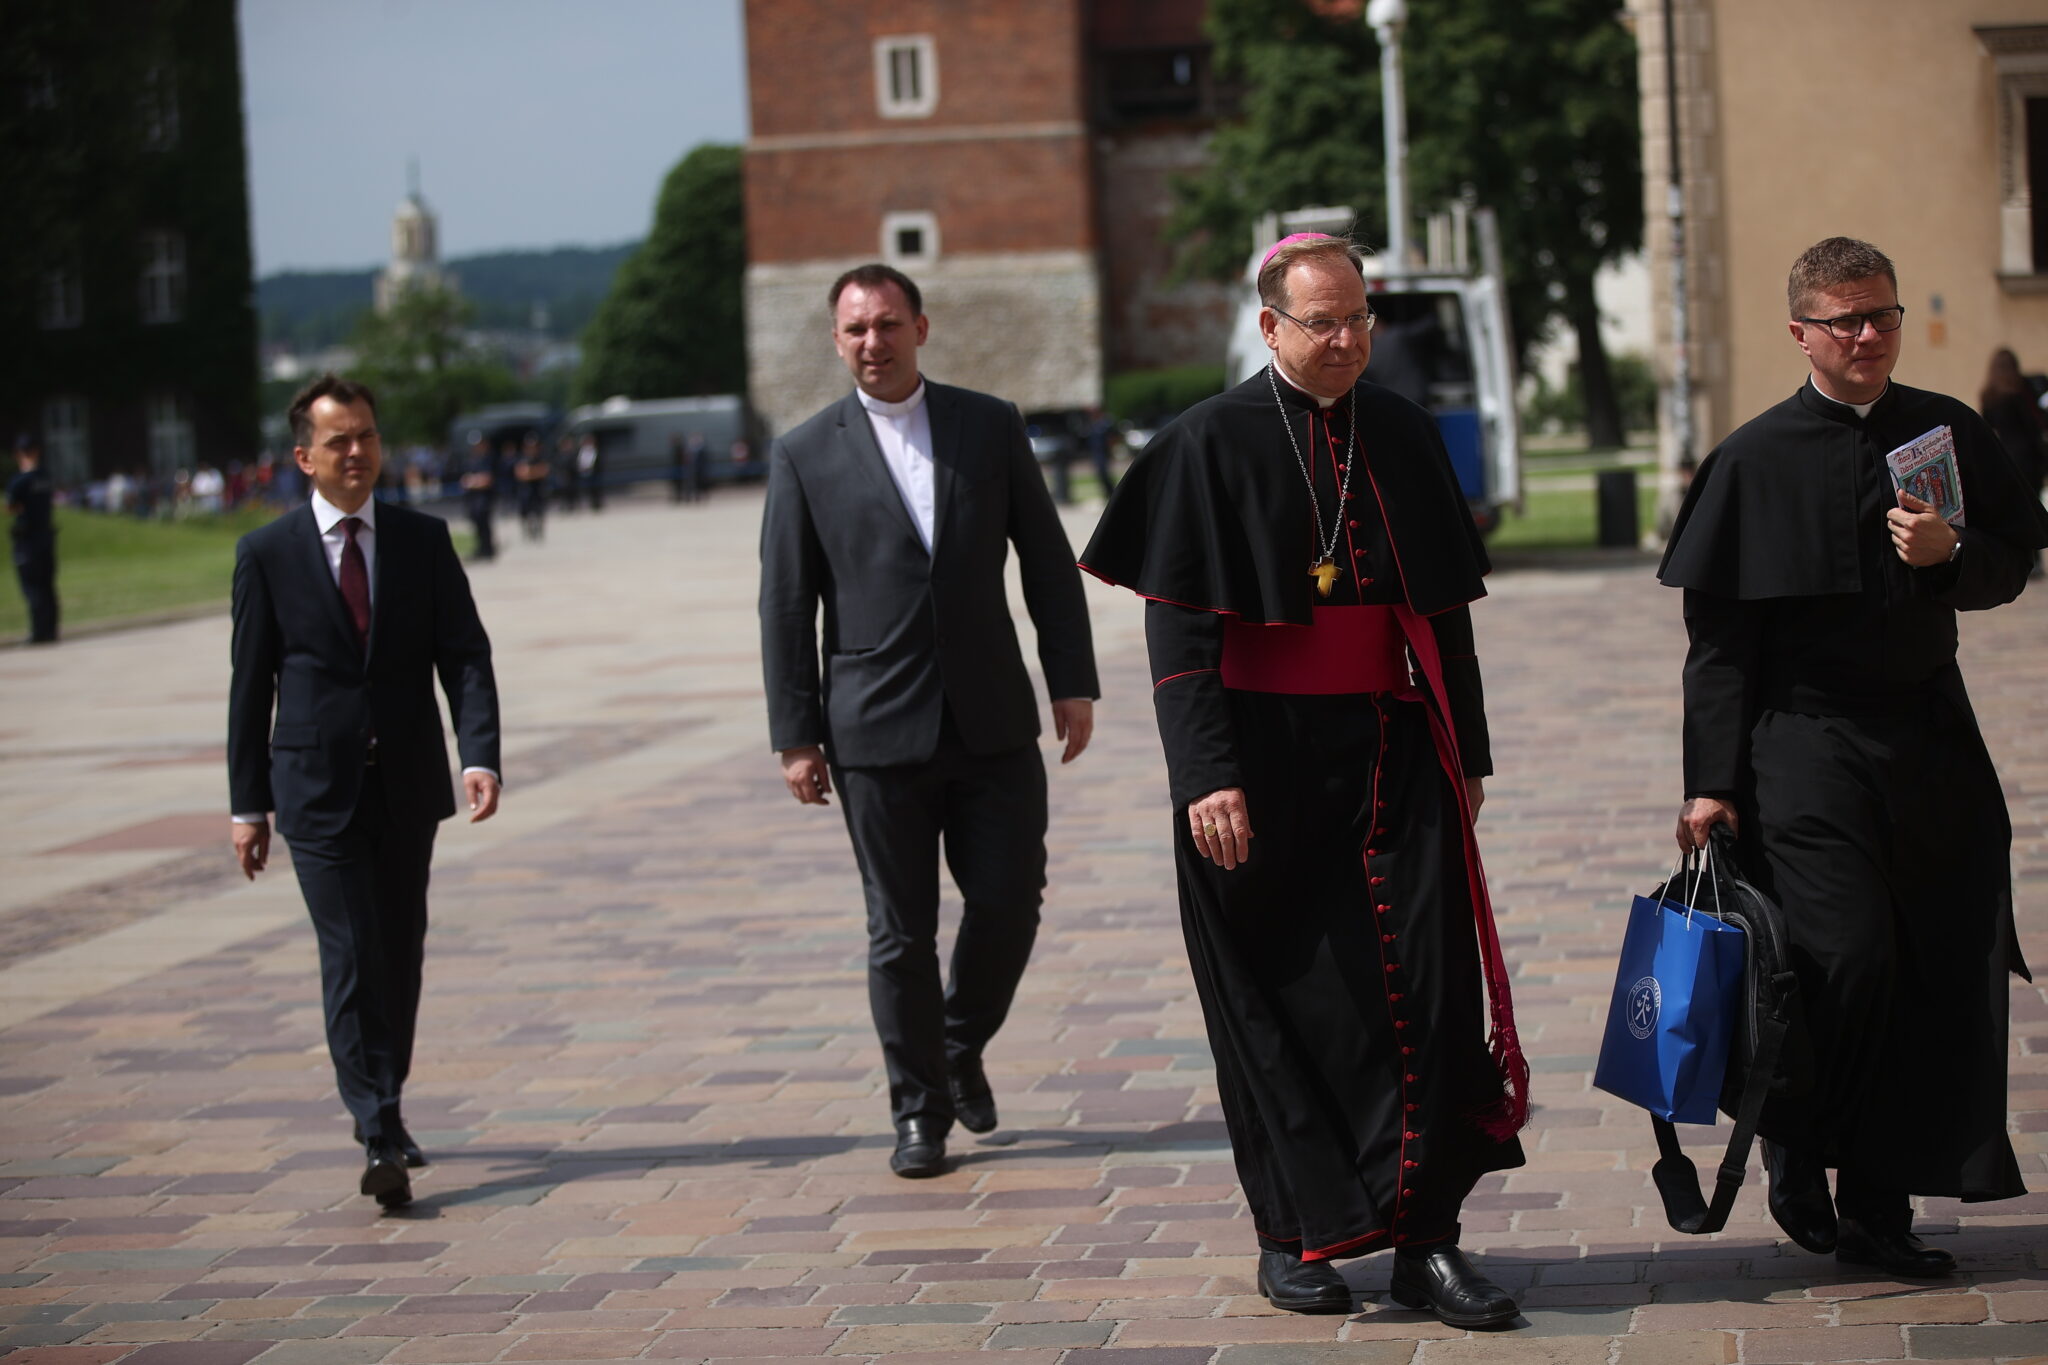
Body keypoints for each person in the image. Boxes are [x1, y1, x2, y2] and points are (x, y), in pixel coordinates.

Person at [1080, 233, 1527, 1326]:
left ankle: (1428, 1242)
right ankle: (1294, 1236)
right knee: (1279, 1004)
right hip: (1262, 767)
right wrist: (1206, 778)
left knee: (1429, 997)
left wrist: (1465, 756)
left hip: (1392, 752)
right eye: (1321, 322)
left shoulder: (1406, 435)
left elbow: (1446, 617)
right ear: (1269, 325)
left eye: (1359, 319)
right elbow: (1179, 634)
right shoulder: (1203, 445)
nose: (1344, 341)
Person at [1661, 237, 2048, 1277]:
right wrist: (1708, 782)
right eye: (1844, 320)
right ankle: (1795, 1147)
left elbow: (2012, 561)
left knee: (1925, 961)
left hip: (1927, 731)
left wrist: (1951, 556)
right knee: (1842, 958)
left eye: (1878, 315)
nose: (1868, 334)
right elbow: (1718, 647)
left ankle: (1877, 1210)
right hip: (1801, 740)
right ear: (1801, 334)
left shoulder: (1945, 429)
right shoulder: (1747, 459)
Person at [759, 263, 1100, 1179]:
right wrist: (795, 733)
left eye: (888, 324)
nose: (874, 342)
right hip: (872, 731)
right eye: (856, 329)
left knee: (1007, 899)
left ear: (922, 326)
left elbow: (1046, 559)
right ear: (838, 341)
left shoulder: (989, 425)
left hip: (991, 716)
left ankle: (957, 1042)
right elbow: (786, 605)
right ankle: (919, 1111)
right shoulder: (804, 453)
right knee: (898, 931)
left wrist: (1071, 677)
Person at [228, 374, 502, 1212]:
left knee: (398, 952)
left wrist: (478, 752)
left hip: (407, 781)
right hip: (313, 788)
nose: (357, 452)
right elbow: (250, 686)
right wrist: (248, 805)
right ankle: (378, 1128)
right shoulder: (268, 554)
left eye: (368, 436)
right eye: (338, 440)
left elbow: (465, 654)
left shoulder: (422, 540)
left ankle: (388, 1093)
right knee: (348, 953)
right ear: (304, 457)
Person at [8, 434, 58, 644]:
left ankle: (39, 632)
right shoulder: (45, 476)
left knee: (32, 587)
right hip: (46, 537)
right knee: (47, 586)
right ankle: (50, 630)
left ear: (18, 455)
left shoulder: (19, 481)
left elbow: (12, 508)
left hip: (28, 541)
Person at [460, 437, 498, 561]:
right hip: (473, 498)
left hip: (484, 498)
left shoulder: (488, 459)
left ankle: (488, 549)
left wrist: (474, 482)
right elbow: (465, 480)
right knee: (476, 524)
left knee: (485, 524)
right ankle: (481, 548)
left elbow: (487, 479)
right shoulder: (471, 460)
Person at [513, 435, 549, 541]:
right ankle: (528, 531)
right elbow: (520, 473)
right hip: (525, 490)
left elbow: (543, 471)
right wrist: (533, 472)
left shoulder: (540, 458)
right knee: (525, 512)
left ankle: (538, 531)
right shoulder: (522, 458)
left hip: (538, 489)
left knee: (539, 512)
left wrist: (530, 472)